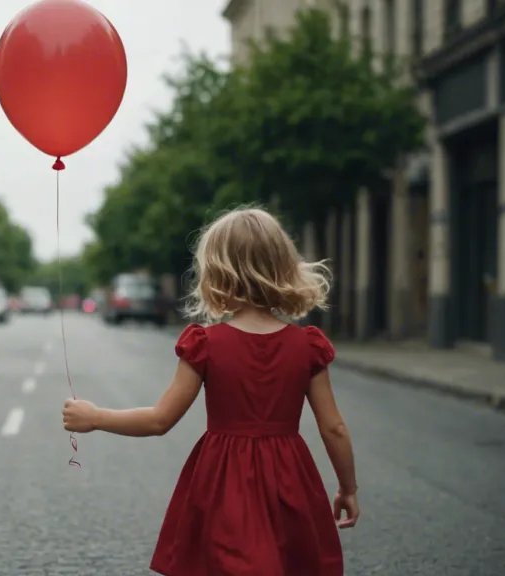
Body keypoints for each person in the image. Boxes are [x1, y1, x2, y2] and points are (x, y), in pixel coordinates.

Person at [62, 207, 359, 576]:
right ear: (284, 266)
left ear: (217, 273)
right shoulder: (307, 347)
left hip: (224, 482)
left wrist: (95, 418)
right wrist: (348, 487)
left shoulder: (206, 344)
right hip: (291, 479)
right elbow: (334, 428)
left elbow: (159, 420)